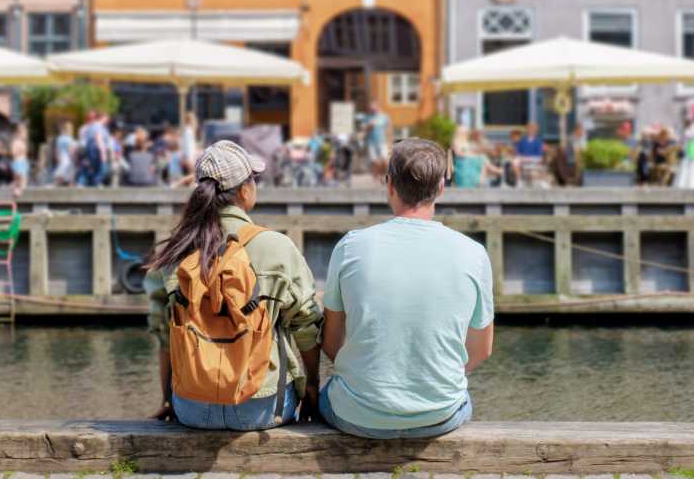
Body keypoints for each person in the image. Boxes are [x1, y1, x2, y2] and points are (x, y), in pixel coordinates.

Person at [320, 137, 492, 439]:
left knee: (327, 394)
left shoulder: (350, 246)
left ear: (389, 185)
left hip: (357, 413)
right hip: (440, 413)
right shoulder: (474, 253)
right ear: (441, 187)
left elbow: (332, 342)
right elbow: (481, 349)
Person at [146, 140, 322, 431]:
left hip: (191, 407)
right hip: (262, 407)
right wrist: (312, 387)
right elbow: (306, 325)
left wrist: (168, 399)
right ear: (244, 191)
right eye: (254, 178)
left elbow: (165, 334)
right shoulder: (276, 246)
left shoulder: (174, 251)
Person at [360, 98, 391, 184]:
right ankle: (376, 178)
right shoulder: (366, 117)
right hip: (371, 143)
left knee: (384, 160)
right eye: (371, 107)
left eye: (374, 107)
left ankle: (385, 176)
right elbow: (363, 130)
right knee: (374, 161)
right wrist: (369, 126)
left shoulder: (384, 117)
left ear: (378, 107)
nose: (372, 109)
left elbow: (388, 130)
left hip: (382, 141)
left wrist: (390, 142)